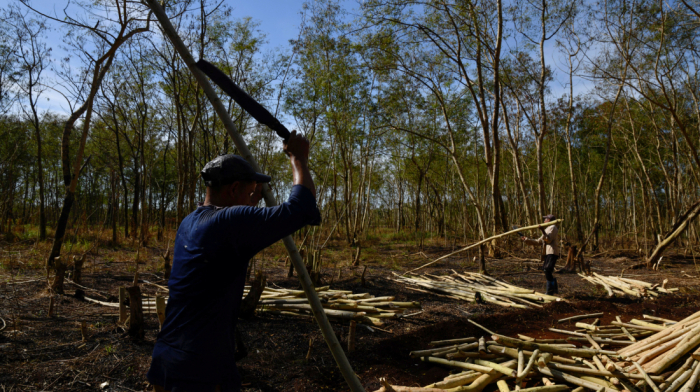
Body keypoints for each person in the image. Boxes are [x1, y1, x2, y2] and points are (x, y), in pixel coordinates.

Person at [147, 131, 320, 392]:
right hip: (200, 370)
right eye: (249, 191)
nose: (253, 199)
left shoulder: (190, 222)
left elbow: (239, 219)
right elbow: (301, 208)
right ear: (234, 189)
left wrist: (253, 198)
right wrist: (298, 159)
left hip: (168, 360)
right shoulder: (229, 223)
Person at [520, 214, 560, 295]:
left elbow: (548, 240)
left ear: (549, 220)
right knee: (546, 269)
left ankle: (550, 291)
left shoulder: (553, 227)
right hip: (547, 252)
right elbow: (539, 241)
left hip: (552, 252)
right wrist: (526, 239)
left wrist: (542, 230)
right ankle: (552, 289)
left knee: (547, 269)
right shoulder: (548, 228)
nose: (544, 220)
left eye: (546, 219)